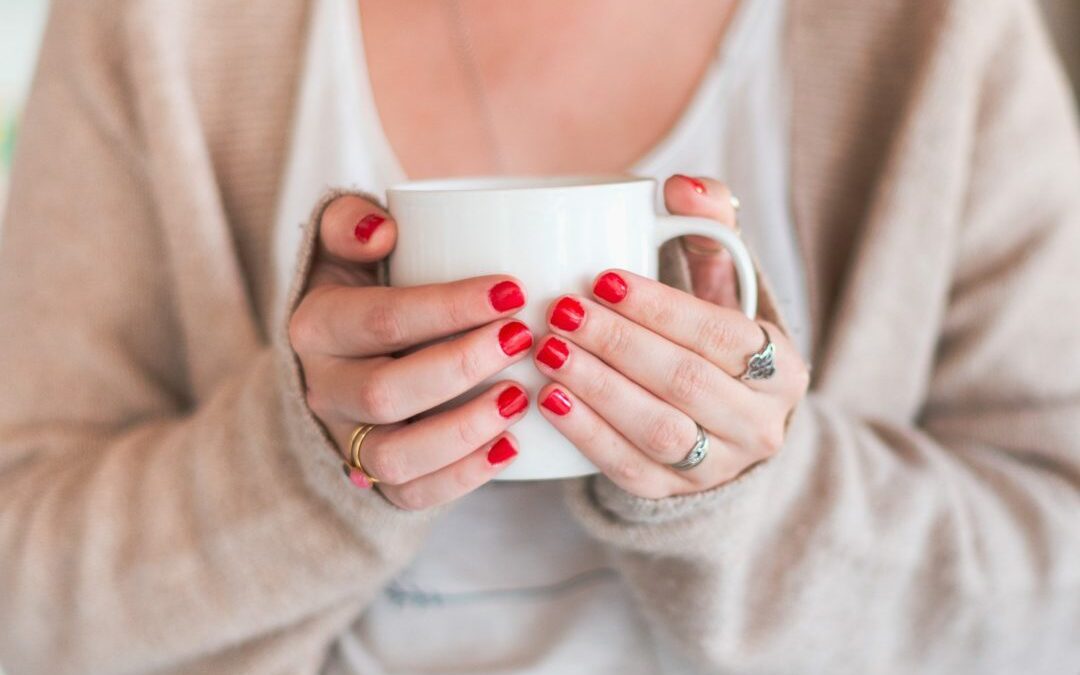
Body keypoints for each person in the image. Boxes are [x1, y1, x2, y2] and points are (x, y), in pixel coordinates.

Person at [1, 0, 1078, 673]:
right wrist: (301, 467)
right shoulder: (155, 24)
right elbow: (23, 594)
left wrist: (753, 500)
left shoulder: (938, 30)